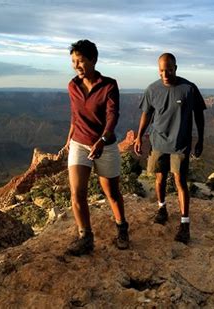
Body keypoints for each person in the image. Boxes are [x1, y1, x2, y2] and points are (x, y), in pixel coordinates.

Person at [63, 39, 129, 256]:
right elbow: (75, 115)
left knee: (111, 192)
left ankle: (121, 228)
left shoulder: (109, 85)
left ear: (93, 59)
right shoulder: (72, 86)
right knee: (77, 193)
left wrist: (102, 140)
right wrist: (70, 137)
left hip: (106, 145)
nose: (76, 66)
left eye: (80, 61)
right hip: (79, 144)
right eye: (73, 61)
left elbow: (112, 116)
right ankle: (86, 237)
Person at [134, 53, 206, 244]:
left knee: (180, 182)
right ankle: (162, 208)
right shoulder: (152, 89)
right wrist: (139, 137)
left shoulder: (188, 89)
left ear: (176, 67)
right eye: (161, 70)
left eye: (169, 69)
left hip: (180, 144)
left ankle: (184, 223)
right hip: (158, 143)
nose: (165, 74)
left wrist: (200, 140)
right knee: (159, 178)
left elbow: (199, 115)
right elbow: (146, 115)